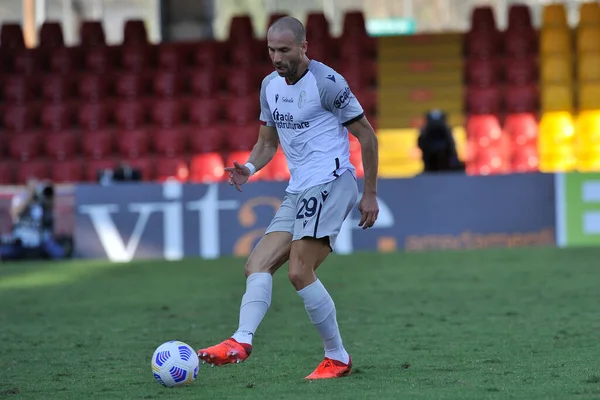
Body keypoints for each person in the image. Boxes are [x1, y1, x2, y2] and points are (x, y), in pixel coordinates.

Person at [196, 16, 379, 380]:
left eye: (283, 50)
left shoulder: (327, 83)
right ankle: (240, 341)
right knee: (256, 265)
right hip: (298, 189)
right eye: (270, 50)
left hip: (332, 182)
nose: (276, 57)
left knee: (299, 271)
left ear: (303, 47)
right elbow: (267, 142)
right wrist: (249, 167)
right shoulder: (269, 86)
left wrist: (370, 193)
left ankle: (336, 356)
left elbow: (367, 136)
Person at [0, 178, 65, 261]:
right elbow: (14, 212)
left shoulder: (41, 201)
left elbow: (50, 205)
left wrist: (49, 190)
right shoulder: (19, 199)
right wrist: (29, 197)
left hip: (39, 241)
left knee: (58, 254)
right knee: (4, 253)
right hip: (20, 241)